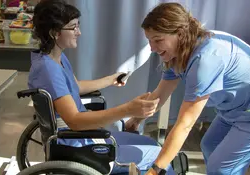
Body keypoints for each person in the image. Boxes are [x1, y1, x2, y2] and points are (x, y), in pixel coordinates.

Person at [131, 2, 250, 175]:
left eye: (158, 40)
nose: (153, 48)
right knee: (209, 145)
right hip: (236, 109)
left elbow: (185, 124)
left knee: (222, 168)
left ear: (181, 34)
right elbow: (159, 95)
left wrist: (155, 169)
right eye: (150, 41)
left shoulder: (205, 59)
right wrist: (137, 119)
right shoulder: (177, 55)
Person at [28, 0, 175, 174]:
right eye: (73, 27)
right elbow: (74, 121)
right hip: (77, 144)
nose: (79, 32)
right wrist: (128, 109)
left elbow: (74, 87)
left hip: (82, 136)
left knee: (150, 143)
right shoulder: (48, 70)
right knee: (161, 157)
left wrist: (111, 80)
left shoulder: (54, 58)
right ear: (54, 32)